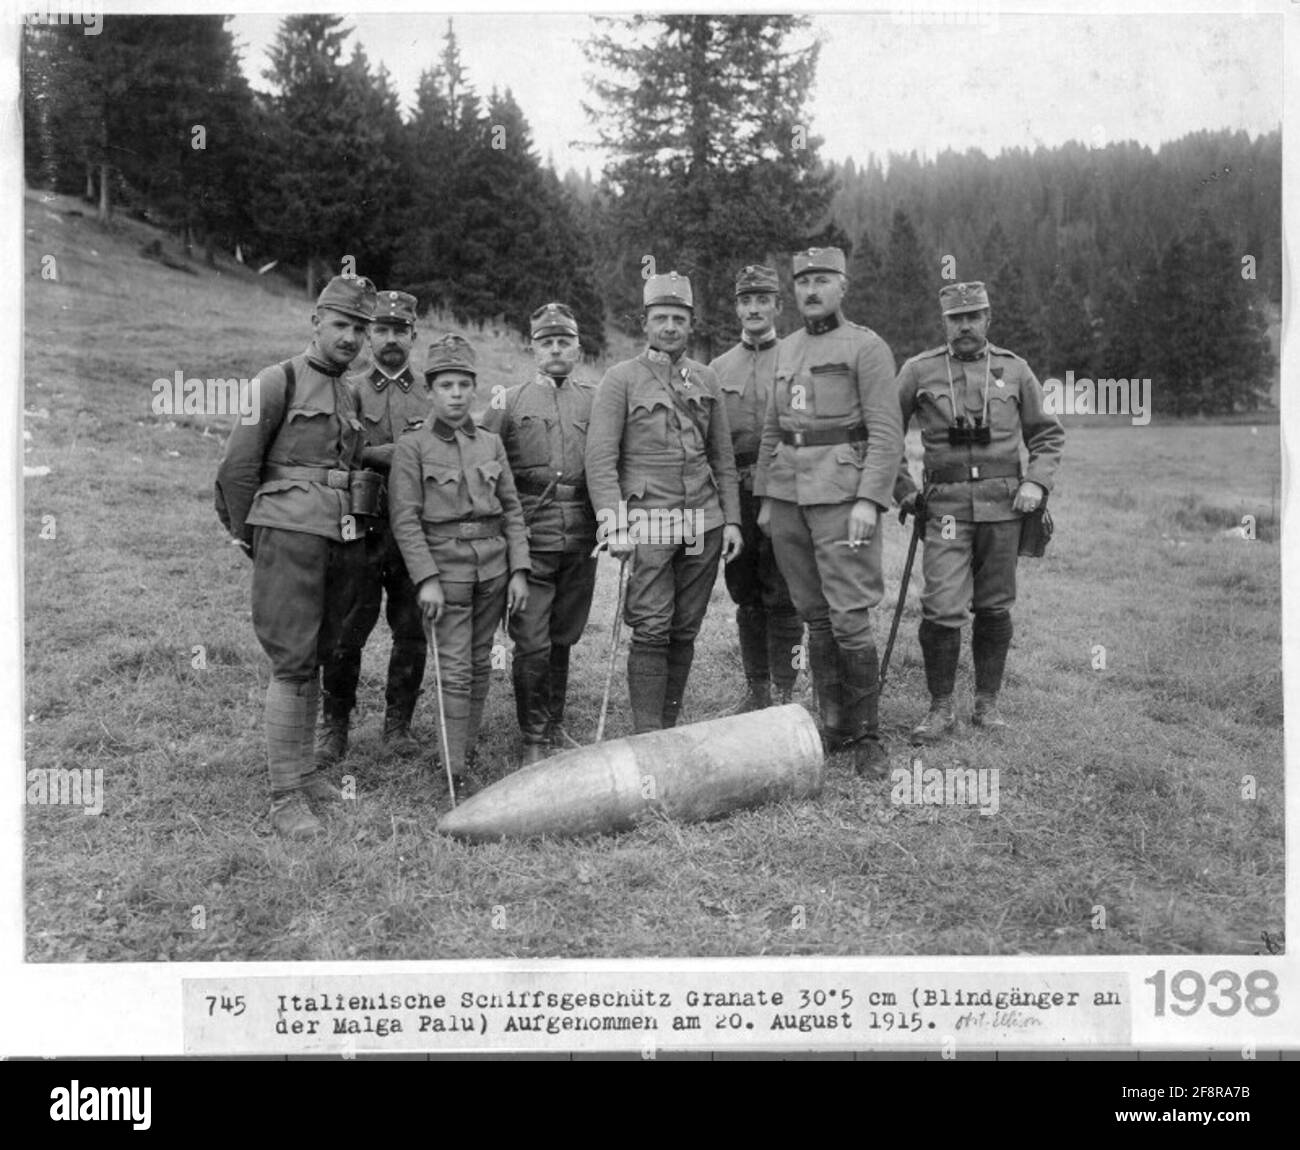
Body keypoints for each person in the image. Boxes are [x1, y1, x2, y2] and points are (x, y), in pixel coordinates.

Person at [215, 274, 376, 839]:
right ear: (316, 322)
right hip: (286, 535)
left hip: (338, 539)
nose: (351, 337)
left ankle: (305, 774)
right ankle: (284, 797)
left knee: (315, 656)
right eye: (341, 325)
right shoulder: (276, 380)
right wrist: (248, 536)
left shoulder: (351, 391)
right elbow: (237, 468)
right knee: (290, 660)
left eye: (360, 328)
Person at [754, 247, 904, 778]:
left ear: (843, 286)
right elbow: (774, 429)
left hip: (843, 497)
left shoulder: (867, 347)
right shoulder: (785, 349)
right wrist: (768, 497)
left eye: (822, 280)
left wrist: (869, 499)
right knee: (814, 615)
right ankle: (834, 724)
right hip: (790, 499)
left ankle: (868, 735)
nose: (811, 290)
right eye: (803, 282)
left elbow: (887, 433)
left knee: (848, 616)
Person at [894, 281, 1064, 741]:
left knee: (994, 606)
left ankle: (987, 705)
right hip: (945, 508)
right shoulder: (918, 370)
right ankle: (941, 708)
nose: (965, 325)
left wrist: (1036, 482)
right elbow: (884, 434)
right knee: (941, 607)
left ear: (988, 319)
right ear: (944, 321)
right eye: (956, 318)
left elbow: (1047, 436)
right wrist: (905, 490)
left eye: (974, 316)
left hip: (1004, 508)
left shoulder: (1015, 369)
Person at [585, 271, 743, 733]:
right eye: (661, 318)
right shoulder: (621, 379)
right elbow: (600, 458)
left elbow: (723, 458)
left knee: (685, 627)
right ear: (646, 322)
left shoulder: (707, 378)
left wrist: (732, 520)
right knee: (653, 625)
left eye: (679, 318)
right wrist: (613, 524)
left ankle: (668, 728)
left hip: (703, 524)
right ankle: (648, 735)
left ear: (690, 323)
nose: (670, 326)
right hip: (650, 523)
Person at [388, 333, 530, 793]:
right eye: (445, 385)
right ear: (430, 390)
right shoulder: (412, 446)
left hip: (493, 569)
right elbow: (405, 519)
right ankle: (453, 768)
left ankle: (462, 750)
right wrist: (425, 578)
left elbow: (511, 508)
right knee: (452, 666)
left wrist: (520, 571)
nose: (455, 394)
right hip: (444, 571)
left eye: (463, 385)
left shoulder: (489, 442)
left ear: (475, 389)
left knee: (479, 662)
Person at [479, 302, 598, 765]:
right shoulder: (506, 400)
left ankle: (554, 725)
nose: (555, 349)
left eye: (563, 341)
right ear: (534, 349)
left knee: (564, 634)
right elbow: (485, 463)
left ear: (578, 349)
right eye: (546, 342)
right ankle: (533, 739)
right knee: (532, 639)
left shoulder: (596, 400)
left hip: (582, 536)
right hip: (528, 535)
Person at [317, 290, 429, 766]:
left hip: (415, 531)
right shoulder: (349, 389)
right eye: (379, 330)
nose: (388, 340)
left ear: (413, 336)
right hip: (360, 527)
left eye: (398, 331)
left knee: (411, 629)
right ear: (368, 336)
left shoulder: (432, 391)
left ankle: (398, 726)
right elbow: (337, 451)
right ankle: (334, 727)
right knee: (347, 629)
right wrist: (401, 453)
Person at [708, 264, 804, 712]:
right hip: (736, 492)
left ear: (778, 306)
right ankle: (757, 690)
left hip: (787, 490)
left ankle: (786, 693)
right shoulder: (717, 368)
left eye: (762, 300)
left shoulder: (798, 360)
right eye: (746, 301)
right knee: (745, 590)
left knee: (784, 592)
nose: (753, 309)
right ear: (737, 308)